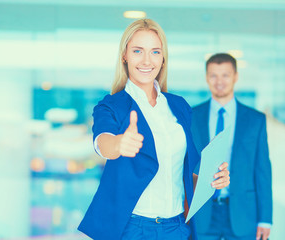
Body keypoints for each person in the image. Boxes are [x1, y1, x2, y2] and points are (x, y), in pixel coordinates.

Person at [77, 19, 230, 240]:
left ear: (163, 58)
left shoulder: (179, 106)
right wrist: (119, 144)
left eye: (155, 52)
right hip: (132, 230)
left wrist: (211, 181)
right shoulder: (111, 106)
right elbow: (103, 142)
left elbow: (181, 175)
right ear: (125, 56)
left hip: (177, 228)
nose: (147, 60)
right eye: (138, 51)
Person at [191, 53, 272, 240]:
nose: (219, 81)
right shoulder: (192, 116)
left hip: (244, 214)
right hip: (202, 213)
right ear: (206, 77)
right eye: (213, 75)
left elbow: (263, 171)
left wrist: (265, 220)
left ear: (235, 77)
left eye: (225, 75)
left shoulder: (255, 120)